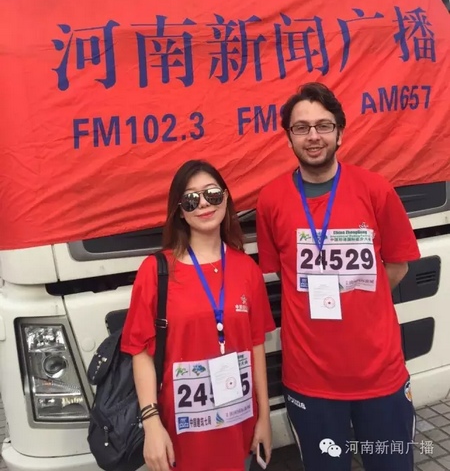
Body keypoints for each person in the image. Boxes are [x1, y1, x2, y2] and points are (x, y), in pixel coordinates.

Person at [256, 82, 421, 471]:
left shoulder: (375, 189)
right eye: (301, 128)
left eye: (324, 125)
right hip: (310, 381)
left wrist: (361, 298)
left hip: (380, 375)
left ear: (340, 133)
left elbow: (397, 265)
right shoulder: (271, 200)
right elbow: (281, 272)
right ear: (289, 137)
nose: (313, 136)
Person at [121, 159, 275, 471]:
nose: (204, 204)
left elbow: (256, 346)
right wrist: (151, 424)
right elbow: (140, 351)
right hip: (181, 436)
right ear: (180, 211)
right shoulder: (156, 271)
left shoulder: (247, 269)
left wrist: (265, 417)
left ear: (226, 199)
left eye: (212, 194)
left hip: (239, 427)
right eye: (191, 199)